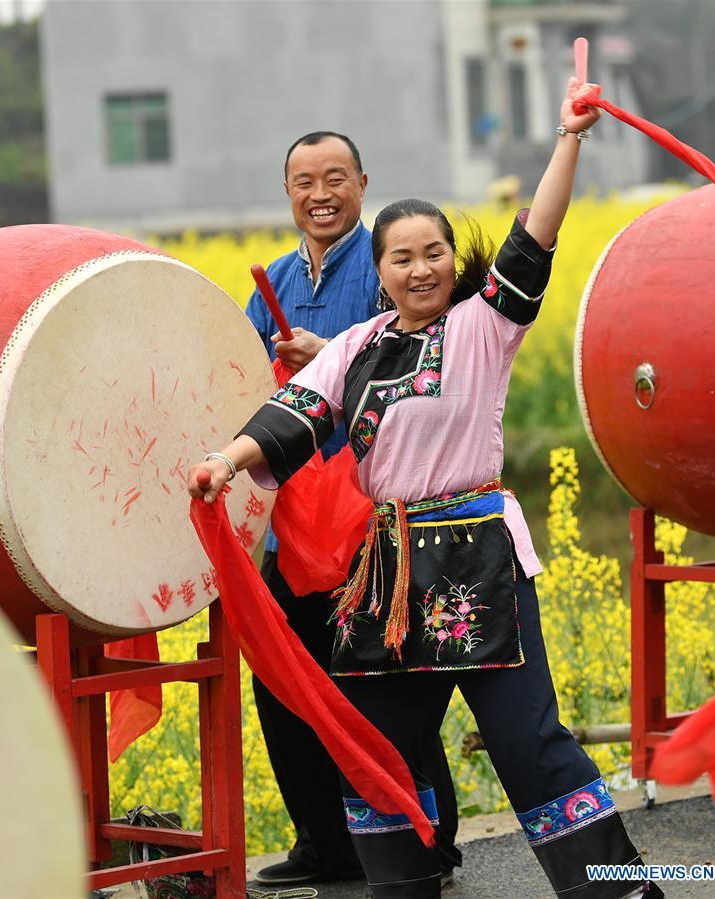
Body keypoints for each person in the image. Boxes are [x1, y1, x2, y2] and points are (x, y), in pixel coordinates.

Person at [189, 80, 662, 899]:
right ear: (382, 272)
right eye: (402, 258)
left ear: (451, 261)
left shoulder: (484, 325)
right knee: (379, 743)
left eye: (432, 254)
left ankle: (623, 887)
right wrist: (226, 462)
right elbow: (292, 412)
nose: (419, 269)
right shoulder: (356, 346)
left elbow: (534, 236)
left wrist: (568, 138)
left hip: (477, 563)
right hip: (387, 575)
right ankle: (403, 888)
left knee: (529, 746)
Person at [242, 130, 461, 886]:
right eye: (304, 180)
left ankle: (426, 838)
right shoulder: (270, 278)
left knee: (384, 687)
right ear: (288, 192)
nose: (320, 193)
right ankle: (322, 843)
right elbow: (248, 390)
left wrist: (328, 357)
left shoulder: (386, 267)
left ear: (362, 184)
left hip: (373, 522)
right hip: (294, 523)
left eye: (335, 177)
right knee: (284, 678)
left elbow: (424, 359)